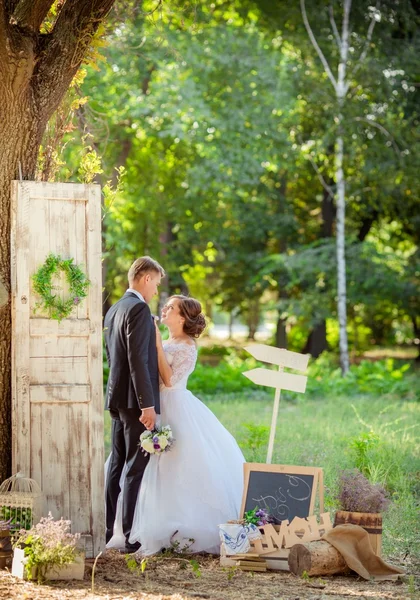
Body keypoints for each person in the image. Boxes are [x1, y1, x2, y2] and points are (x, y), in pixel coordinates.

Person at [126, 295, 246, 555]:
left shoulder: (187, 346)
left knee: (179, 462)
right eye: (165, 305)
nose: (164, 309)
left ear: (182, 318)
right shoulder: (168, 341)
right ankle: (150, 523)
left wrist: (157, 347)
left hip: (177, 405)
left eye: (171, 307)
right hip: (156, 406)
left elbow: (169, 381)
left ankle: (183, 526)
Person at [104, 256, 165, 553]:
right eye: (156, 283)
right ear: (145, 278)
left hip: (117, 398)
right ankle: (128, 535)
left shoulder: (114, 309)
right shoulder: (139, 309)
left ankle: (106, 529)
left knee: (116, 464)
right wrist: (147, 405)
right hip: (135, 402)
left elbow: (113, 358)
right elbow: (138, 360)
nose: (156, 291)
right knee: (134, 465)